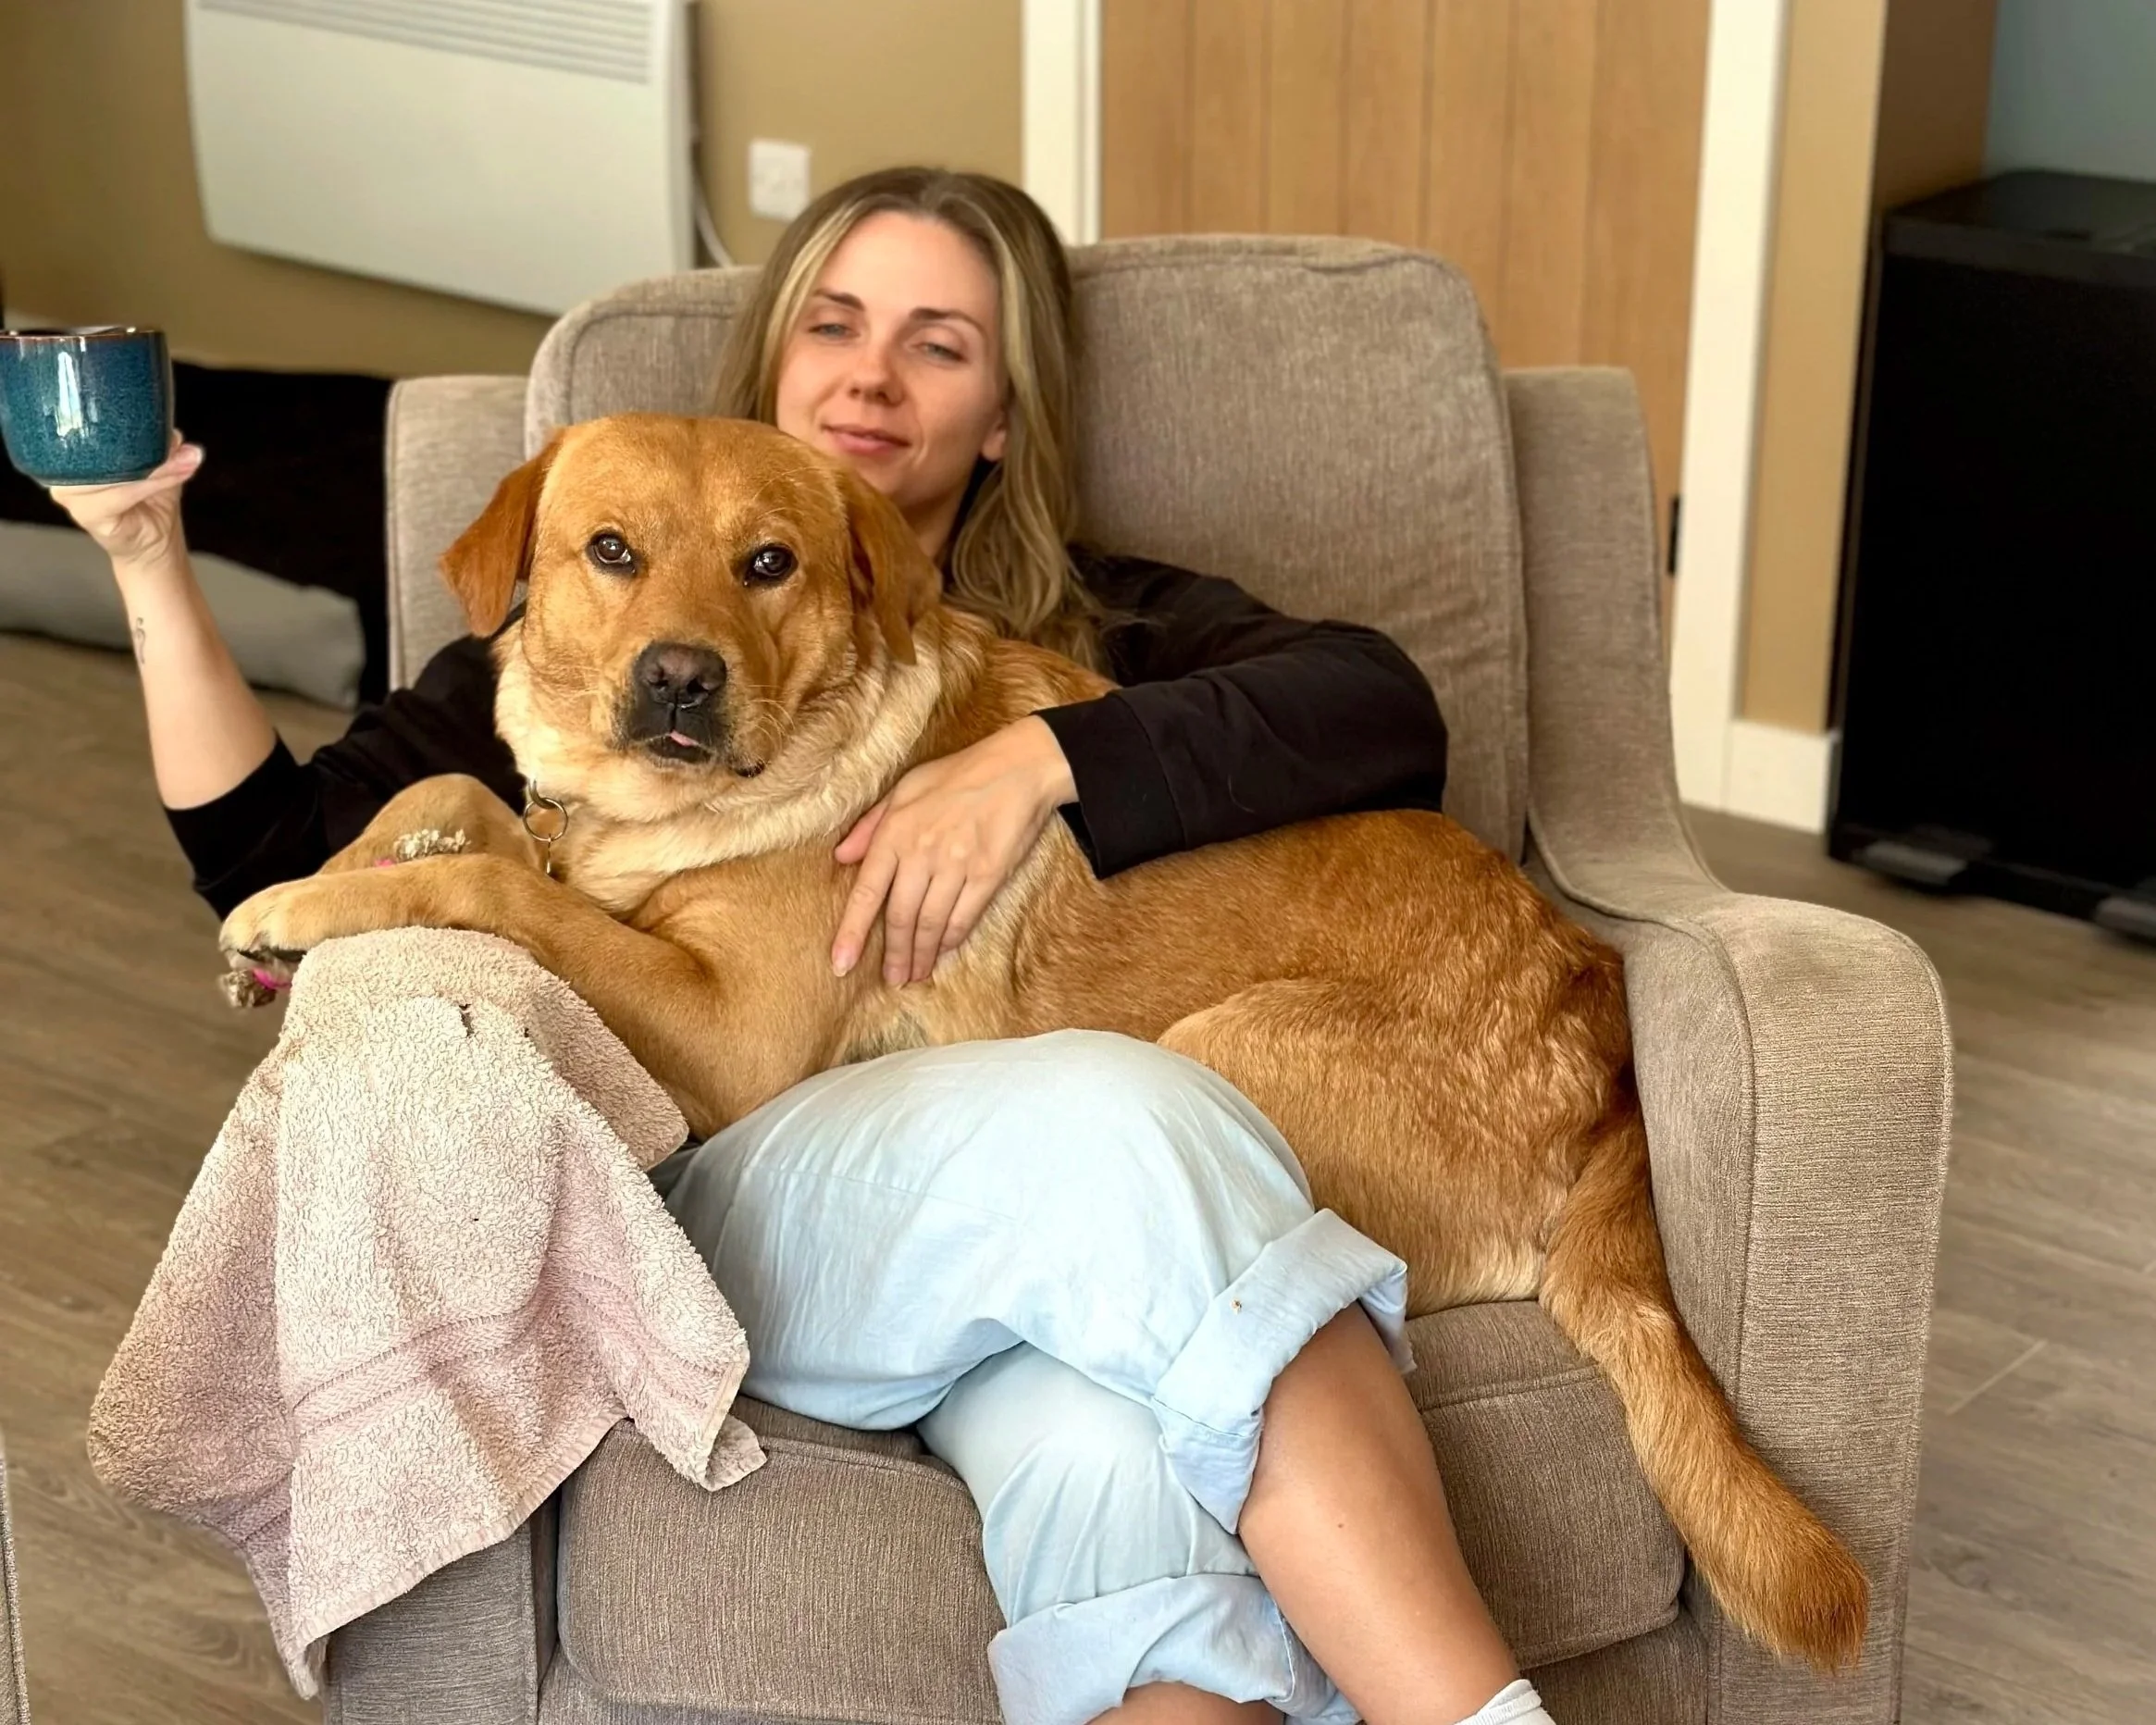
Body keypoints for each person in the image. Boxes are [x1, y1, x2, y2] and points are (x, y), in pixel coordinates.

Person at [51, 168, 1555, 1725]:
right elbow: (278, 864)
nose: (871, 378)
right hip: (806, 1202)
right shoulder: (566, 659)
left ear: (1003, 415)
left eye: (937, 345)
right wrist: (147, 556)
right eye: (833, 325)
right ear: (773, 355)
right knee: (1129, 1115)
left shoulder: (1103, 621)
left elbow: (1379, 704)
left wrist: (1037, 760)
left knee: (1119, 1458)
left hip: (1034, 1258)